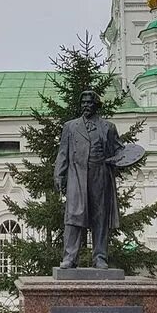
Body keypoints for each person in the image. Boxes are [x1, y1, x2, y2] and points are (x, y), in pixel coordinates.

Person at [54, 89, 124, 269]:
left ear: (96, 105)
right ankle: (70, 257)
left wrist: (122, 159)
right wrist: (59, 175)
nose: (86, 105)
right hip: (77, 175)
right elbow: (63, 153)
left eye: (90, 102)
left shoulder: (108, 127)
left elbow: (119, 151)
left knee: (100, 217)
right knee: (73, 217)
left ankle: (100, 257)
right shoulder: (70, 127)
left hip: (100, 176)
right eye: (83, 102)